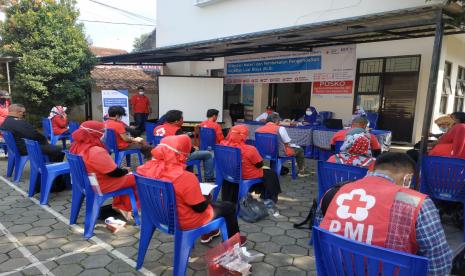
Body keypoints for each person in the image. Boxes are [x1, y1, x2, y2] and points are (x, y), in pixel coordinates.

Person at [315, 152, 452, 275]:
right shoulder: (418, 204)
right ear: (408, 179)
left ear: (374, 169)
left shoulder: (333, 193)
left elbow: (320, 240)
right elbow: (439, 264)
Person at [137, 135, 245, 244]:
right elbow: (200, 208)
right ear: (182, 154)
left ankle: (209, 232)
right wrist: (207, 197)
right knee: (228, 207)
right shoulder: (185, 177)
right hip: (183, 220)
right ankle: (234, 243)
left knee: (208, 202)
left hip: (157, 215)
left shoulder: (144, 169)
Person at [70, 121, 139, 221]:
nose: (104, 134)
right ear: (95, 133)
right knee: (137, 178)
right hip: (100, 184)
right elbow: (114, 173)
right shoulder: (95, 150)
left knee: (128, 176)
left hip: (87, 182)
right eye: (102, 131)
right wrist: (124, 170)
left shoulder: (76, 145)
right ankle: (126, 207)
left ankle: (120, 205)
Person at [220, 125, 281, 216]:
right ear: (243, 136)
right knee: (271, 173)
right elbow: (259, 164)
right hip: (246, 175)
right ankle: (270, 198)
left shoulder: (222, 145)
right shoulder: (250, 149)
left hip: (228, 173)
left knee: (267, 173)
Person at [154, 110, 214, 181]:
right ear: (176, 121)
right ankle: (209, 179)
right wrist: (194, 149)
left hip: (160, 156)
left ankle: (188, 173)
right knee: (208, 154)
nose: (183, 120)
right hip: (175, 158)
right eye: (182, 118)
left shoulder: (157, 128)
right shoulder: (177, 130)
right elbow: (188, 150)